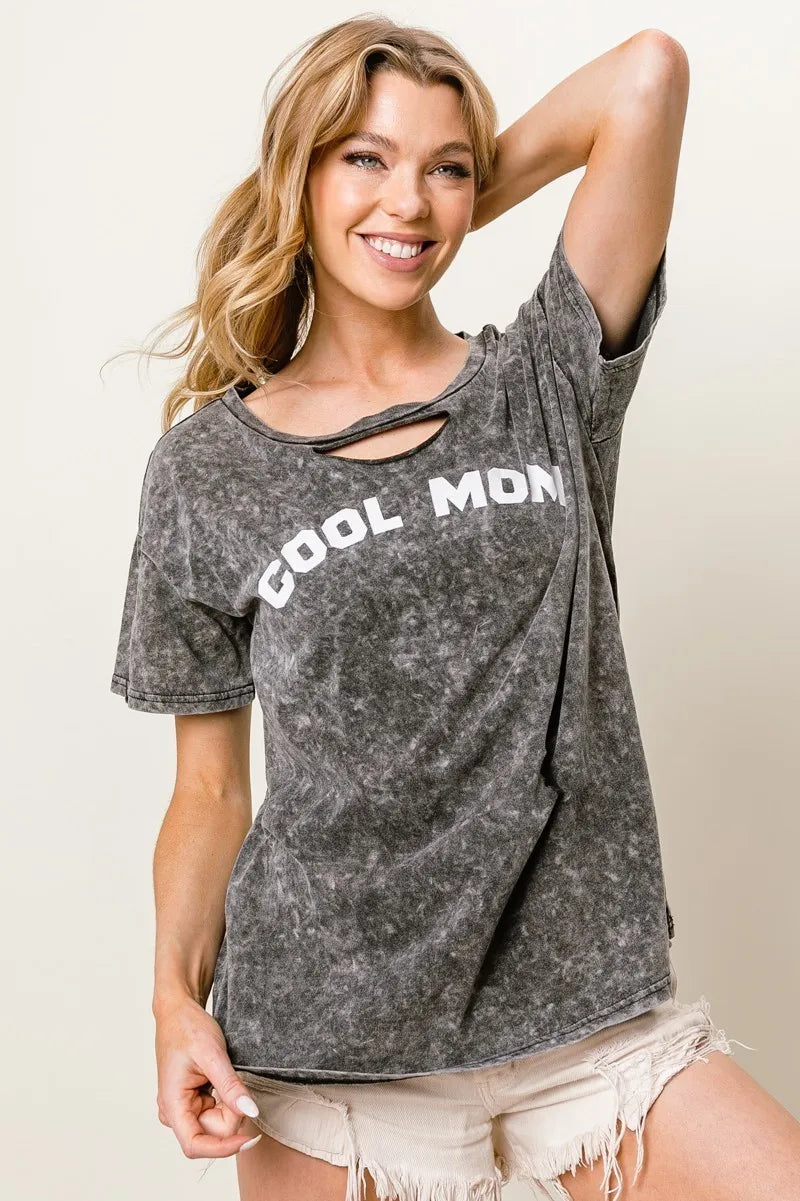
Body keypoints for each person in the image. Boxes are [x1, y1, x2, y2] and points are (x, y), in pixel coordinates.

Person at [109, 15, 800, 1201]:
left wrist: (427, 214)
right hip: (332, 1048)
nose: (408, 195)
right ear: (298, 173)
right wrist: (174, 998)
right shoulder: (207, 471)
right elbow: (211, 791)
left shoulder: (543, 381)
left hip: (584, 1015)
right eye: (362, 158)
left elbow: (645, 77)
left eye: (445, 164)